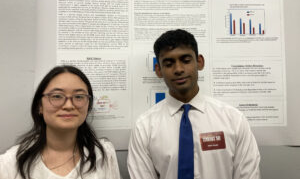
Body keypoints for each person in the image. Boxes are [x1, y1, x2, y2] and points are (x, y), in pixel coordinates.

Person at [127, 29, 261, 179]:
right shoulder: (144, 127)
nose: (178, 69)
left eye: (185, 60)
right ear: (159, 70)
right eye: (169, 63)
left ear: (199, 62)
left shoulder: (233, 120)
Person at [0, 65, 121, 179]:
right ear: (40, 106)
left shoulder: (103, 155)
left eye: (78, 96)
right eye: (57, 96)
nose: (68, 105)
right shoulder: (10, 163)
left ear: (88, 105)